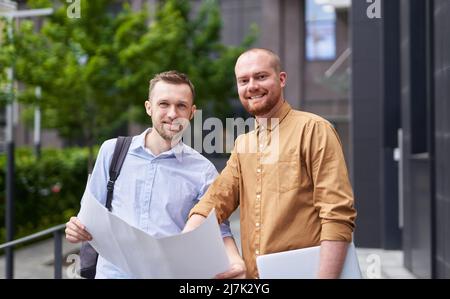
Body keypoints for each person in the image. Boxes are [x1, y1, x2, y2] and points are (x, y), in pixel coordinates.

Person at [183, 48, 357, 279]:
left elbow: (337, 215)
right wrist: (179, 247)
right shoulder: (243, 144)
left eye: (261, 76)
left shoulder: (314, 130)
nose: (252, 86)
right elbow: (216, 201)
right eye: (243, 80)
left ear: (281, 79)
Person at [65, 70, 245, 279]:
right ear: (149, 108)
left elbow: (217, 229)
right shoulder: (112, 151)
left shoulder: (203, 170)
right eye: (163, 104)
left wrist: (235, 260)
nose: (172, 113)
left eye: (181, 106)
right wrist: (75, 228)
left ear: (192, 112)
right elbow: (88, 214)